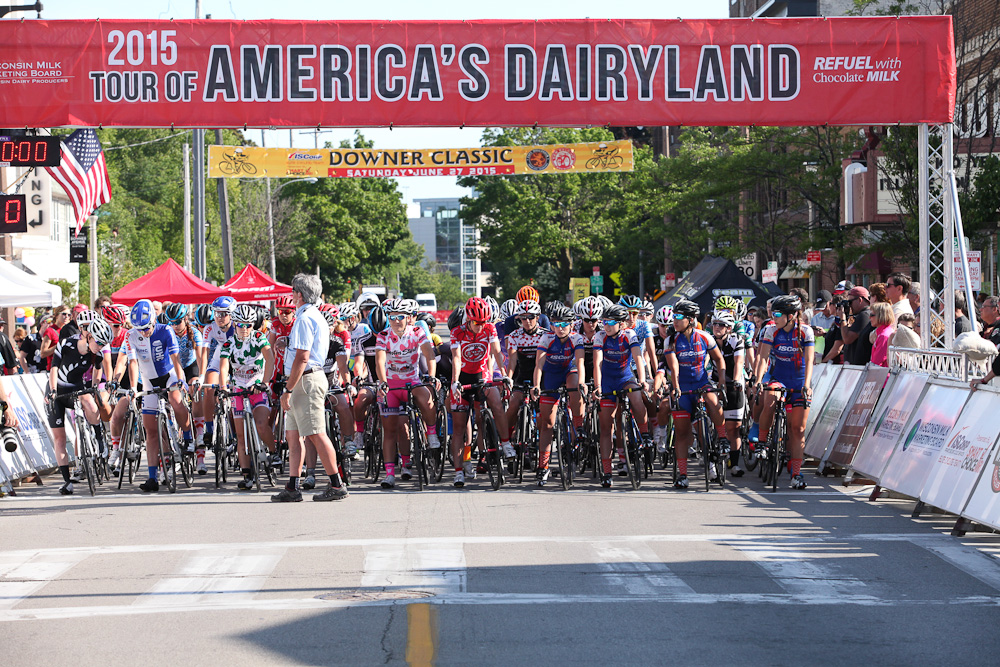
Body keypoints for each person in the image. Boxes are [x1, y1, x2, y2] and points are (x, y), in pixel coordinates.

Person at [272, 273, 349, 502]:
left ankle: (336, 484)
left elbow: (303, 358)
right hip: (303, 379)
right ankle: (293, 485)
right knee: (293, 435)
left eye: (293, 292)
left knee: (316, 433)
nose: (292, 296)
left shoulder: (305, 318)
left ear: (299, 294)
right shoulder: (311, 315)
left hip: (305, 380)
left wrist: (287, 389)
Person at [126, 300, 194, 493]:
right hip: (148, 380)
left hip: (168, 376)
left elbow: (175, 358)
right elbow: (132, 363)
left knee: (176, 400)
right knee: (151, 431)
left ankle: (188, 438)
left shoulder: (165, 330)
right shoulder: (130, 335)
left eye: (146, 328)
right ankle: (152, 477)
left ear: (154, 320)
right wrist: (133, 387)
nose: (143, 332)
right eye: (139, 329)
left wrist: (181, 380)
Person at [374, 298, 439, 489]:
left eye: (400, 317)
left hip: (412, 381)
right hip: (391, 385)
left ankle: (432, 433)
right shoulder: (383, 335)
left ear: (408, 317)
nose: (395, 321)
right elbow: (379, 361)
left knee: (427, 399)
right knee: (390, 431)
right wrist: (382, 382)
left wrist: (432, 377)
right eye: (391, 317)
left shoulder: (417, 332)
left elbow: (429, 355)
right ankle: (389, 474)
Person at [751, 294, 814, 490]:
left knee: (798, 430)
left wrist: (807, 384)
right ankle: (762, 442)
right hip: (778, 378)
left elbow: (810, 360)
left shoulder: (805, 332)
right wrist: (759, 380)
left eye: (777, 313)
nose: (774, 317)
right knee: (770, 396)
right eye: (772, 312)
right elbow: (762, 359)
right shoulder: (771, 330)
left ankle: (796, 473)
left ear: (792, 315)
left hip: (798, 381)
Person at [449, 296, 511, 488]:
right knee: (459, 428)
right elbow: (457, 359)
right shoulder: (457, 332)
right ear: (468, 319)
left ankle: (506, 443)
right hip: (463, 378)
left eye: (483, 322)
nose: (480, 326)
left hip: (482, 375)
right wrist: (455, 383)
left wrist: (504, 374)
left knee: (496, 401)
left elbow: (497, 352)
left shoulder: (489, 328)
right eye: (477, 323)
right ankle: (459, 471)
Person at [663, 300, 726, 489]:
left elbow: (719, 360)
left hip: (701, 383)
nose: (675, 320)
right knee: (682, 434)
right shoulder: (671, 340)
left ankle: (722, 439)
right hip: (682, 387)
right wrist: (675, 387)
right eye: (674, 316)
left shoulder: (705, 337)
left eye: (679, 317)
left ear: (690, 320)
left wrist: (721, 382)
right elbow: (673, 367)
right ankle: (683, 475)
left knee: (712, 400)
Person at [44, 317, 108, 494]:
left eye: (104, 343)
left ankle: (99, 439)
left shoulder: (97, 353)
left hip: (76, 388)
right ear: (89, 336)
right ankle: (66, 481)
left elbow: (98, 369)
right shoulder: (66, 344)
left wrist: (94, 386)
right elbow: (54, 368)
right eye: (100, 342)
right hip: (56, 390)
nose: (101, 346)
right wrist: (53, 390)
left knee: (89, 401)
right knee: (60, 439)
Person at [593, 304, 652, 488]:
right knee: (606, 427)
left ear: (620, 324)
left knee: (636, 398)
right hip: (608, 381)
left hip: (626, 377)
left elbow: (638, 358)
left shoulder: (629, 335)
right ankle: (607, 472)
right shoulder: (600, 336)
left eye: (610, 322)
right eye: (604, 322)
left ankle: (645, 433)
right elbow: (597, 363)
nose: (606, 325)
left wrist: (642, 380)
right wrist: (597, 386)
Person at [220, 304, 276, 490]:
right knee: (241, 436)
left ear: (254, 325)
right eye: (240, 325)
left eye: (248, 325)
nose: (244, 329)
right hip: (238, 387)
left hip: (256, 385)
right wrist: (223, 387)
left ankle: (274, 453)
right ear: (234, 324)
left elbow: (270, 358)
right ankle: (246, 475)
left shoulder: (259, 337)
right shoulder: (229, 343)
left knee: (261, 424)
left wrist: (265, 383)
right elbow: (223, 367)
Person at [531, 301, 585, 486]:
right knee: (547, 424)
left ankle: (578, 426)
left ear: (571, 324)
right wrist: (536, 385)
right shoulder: (546, 338)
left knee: (575, 385)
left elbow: (580, 363)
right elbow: (539, 365)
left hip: (569, 370)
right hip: (551, 374)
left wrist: (583, 383)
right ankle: (543, 467)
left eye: (564, 325)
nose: (560, 328)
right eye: (556, 324)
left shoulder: (577, 338)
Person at [504, 299, 549, 449]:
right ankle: (507, 439)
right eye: (523, 318)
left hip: (542, 377)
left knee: (543, 411)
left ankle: (542, 442)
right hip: (522, 377)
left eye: (531, 317)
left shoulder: (546, 335)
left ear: (538, 317)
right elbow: (512, 362)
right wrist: (508, 379)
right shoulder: (514, 336)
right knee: (513, 404)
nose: (527, 321)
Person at [709, 309, 748, 477]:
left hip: (733, 383)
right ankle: (711, 463)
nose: (717, 327)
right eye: (715, 324)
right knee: (714, 426)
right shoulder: (708, 340)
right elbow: (703, 361)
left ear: (729, 328)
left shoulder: (736, 340)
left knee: (734, 428)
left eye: (721, 325)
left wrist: (738, 379)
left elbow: (739, 362)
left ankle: (735, 464)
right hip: (714, 381)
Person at [840, 286, 872, 365]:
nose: (849, 305)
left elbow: (847, 339)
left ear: (860, 300)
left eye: (850, 302)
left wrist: (842, 319)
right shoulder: (862, 315)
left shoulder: (864, 315)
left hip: (859, 366)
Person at [869, 302, 896, 367]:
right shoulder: (885, 332)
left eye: (872, 315)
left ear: (881, 315)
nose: (869, 317)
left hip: (882, 376)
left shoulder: (883, 336)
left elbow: (876, 363)